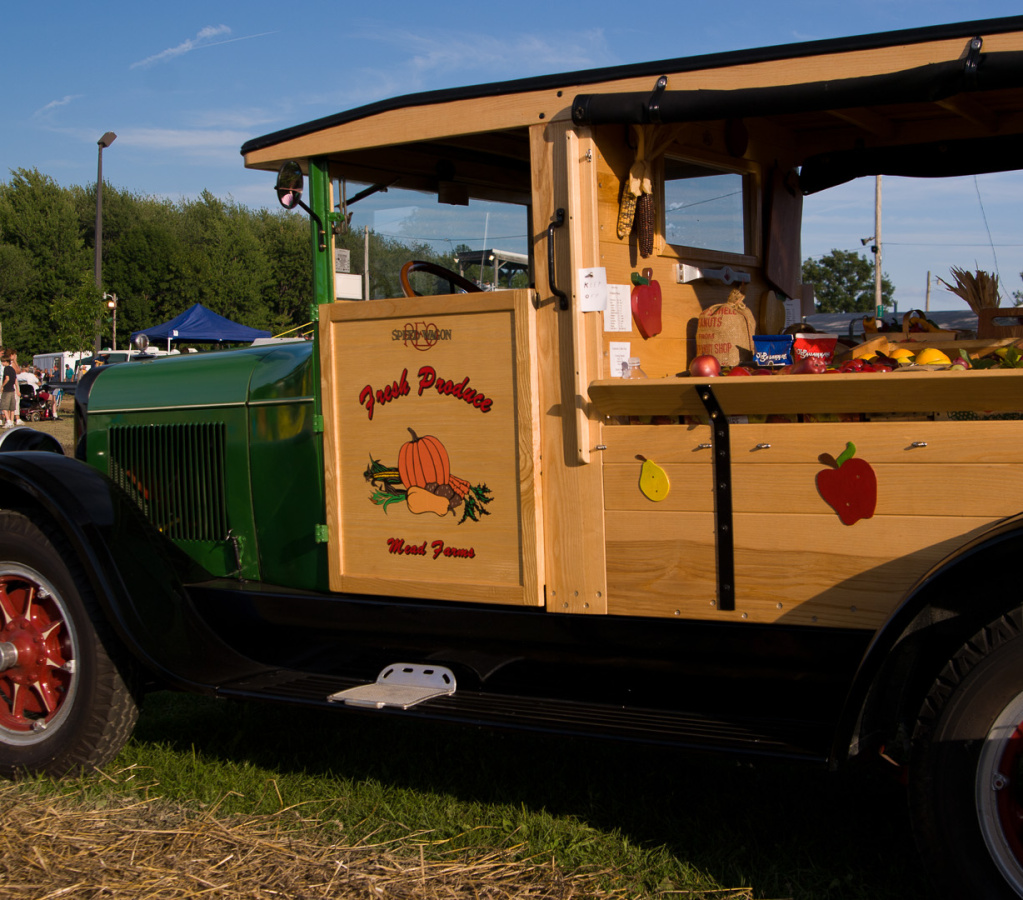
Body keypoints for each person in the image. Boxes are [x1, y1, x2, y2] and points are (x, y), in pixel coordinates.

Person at [1, 354, 20, 428]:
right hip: (12, 390)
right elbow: (15, 380)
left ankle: (8, 421)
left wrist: (2, 386)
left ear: (6, 362)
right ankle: (11, 421)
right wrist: (17, 389)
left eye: (3, 362)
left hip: (7, 390)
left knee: (4, 406)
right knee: (12, 407)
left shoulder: (6, 369)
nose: (2, 363)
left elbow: (7, 378)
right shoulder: (12, 369)